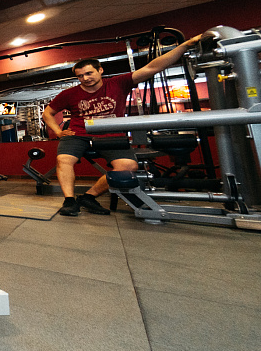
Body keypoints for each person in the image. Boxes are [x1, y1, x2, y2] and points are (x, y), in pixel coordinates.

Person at [42, 34, 202, 217]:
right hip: (78, 134)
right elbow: (48, 113)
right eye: (80, 76)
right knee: (64, 160)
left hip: (112, 135)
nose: (85, 78)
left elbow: (153, 67)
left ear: (100, 70)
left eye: (89, 73)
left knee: (128, 166)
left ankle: (88, 197)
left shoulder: (118, 83)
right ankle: (69, 201)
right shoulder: (69, 94)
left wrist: (185, 45)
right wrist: (58, 131)